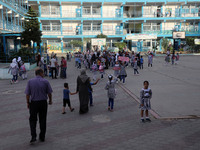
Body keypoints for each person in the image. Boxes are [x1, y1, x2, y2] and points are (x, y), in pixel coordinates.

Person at [25, 68, 53, 144]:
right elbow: (49, 93)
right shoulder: (46, 81)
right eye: (43, 73)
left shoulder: (30, 82)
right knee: (43, 119)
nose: (43, 74)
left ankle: (33, 136)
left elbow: (27, 94)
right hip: (43, 103)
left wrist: (28, 102)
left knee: (33, 120)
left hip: (33, 103)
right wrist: (50, 100)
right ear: (40, 73)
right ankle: (42, 136)